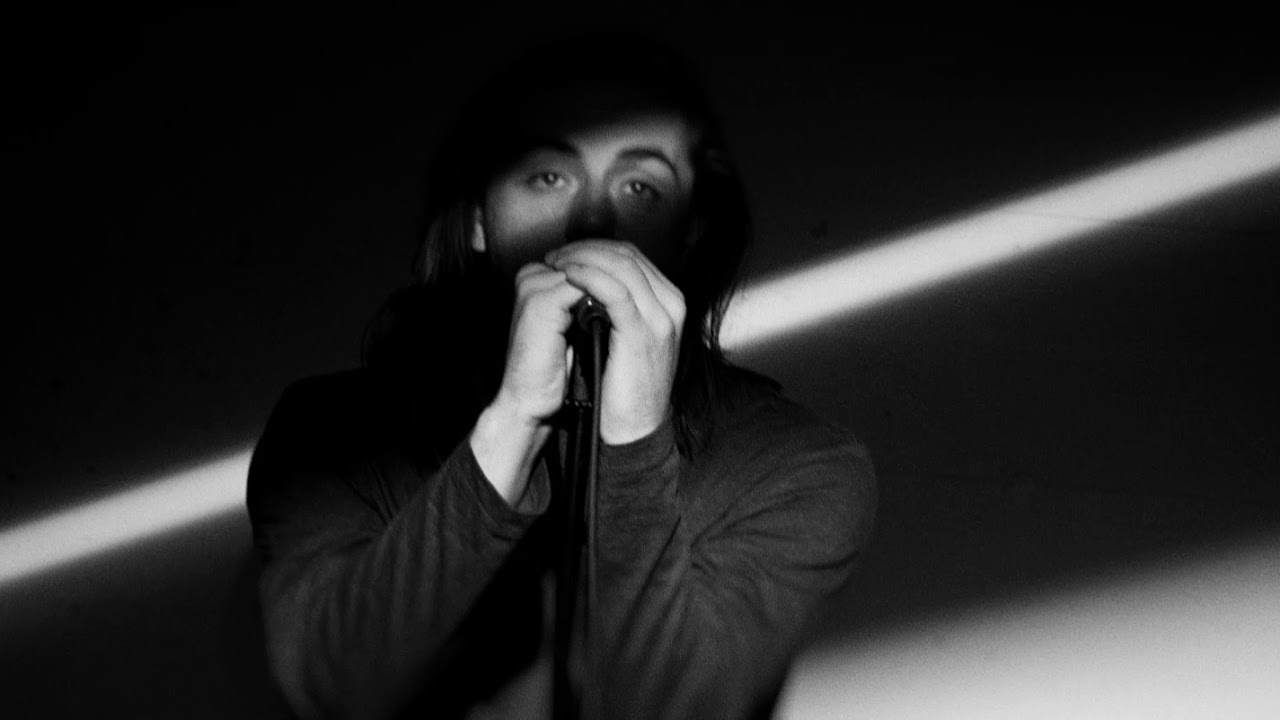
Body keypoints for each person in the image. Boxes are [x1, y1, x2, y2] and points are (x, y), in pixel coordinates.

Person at [246, 31, 877, 720]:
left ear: (690, 233)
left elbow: (674, 710)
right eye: (547, 177)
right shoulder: (327, 438)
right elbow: (335, 688)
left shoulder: (796, 464)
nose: (594, 218)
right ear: (478, 218)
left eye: (641, 186)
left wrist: (634, 439)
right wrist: (512, 425)